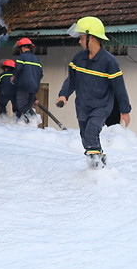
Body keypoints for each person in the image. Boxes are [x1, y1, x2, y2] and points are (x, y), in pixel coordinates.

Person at [56, 16, 131, 168]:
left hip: (101, 106)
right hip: (82, 105)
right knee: (85, 137)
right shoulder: (78, 59)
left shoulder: (109, 62)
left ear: (92, 38)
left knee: (91, 132)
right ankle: (99, 158)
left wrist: (125, 110)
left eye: (82, 38)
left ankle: (97, 168)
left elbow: (119, 87)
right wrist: (63, 95)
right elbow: (71, 79)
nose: (79, 41)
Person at [12, 37, 43, 121]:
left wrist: (13, 77)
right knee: (28, 106)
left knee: (21, 105)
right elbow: (41, 74)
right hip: (34, 87)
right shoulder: (37, 59)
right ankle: (30, 123)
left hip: (24, 86)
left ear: (22, 48)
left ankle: (33, 119)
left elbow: (18, 69)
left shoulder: (22, 57)